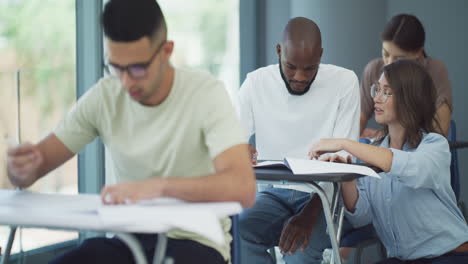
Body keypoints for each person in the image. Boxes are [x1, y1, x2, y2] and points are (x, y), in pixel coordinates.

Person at [6, 0, 256, 263]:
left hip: (196, 242)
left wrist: (157, 188)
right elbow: (37, 165)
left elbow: (242, 186)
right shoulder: (105, 96)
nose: (126, 81)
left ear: (166, 51)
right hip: (129, 239)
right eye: (116, 67)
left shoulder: (205, 94)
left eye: (137, 68)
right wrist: (20, 169)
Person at [310, 59, 468, 264]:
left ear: (408, 98)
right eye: (376, 89)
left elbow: (410, 168)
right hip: (405, 260)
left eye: (386, 92)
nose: (376, 98)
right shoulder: (374, 152)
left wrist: (344, 143)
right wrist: (347, 175)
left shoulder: (434, 146)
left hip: (451, 255)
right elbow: (362, 216)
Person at [237, 17, 360, 263]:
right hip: (273, 193)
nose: (301, 77)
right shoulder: (256, 82)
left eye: (310, 68)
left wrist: (309, 215)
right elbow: (230, 141)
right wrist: (239, 148)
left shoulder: (344, 82)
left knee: (299, 251)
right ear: (278, 51)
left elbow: (345, 162)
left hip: (325, 197)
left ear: (321, 56)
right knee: (239, 233)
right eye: (291, 66)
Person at [360, 14, 452, 138]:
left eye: (399, 58)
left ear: (418, 52)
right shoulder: (374, 69)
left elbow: (440, 132)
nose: (389, 64)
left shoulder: (435, 70)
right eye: (385, 54)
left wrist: (383, 135)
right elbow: (357, 122)